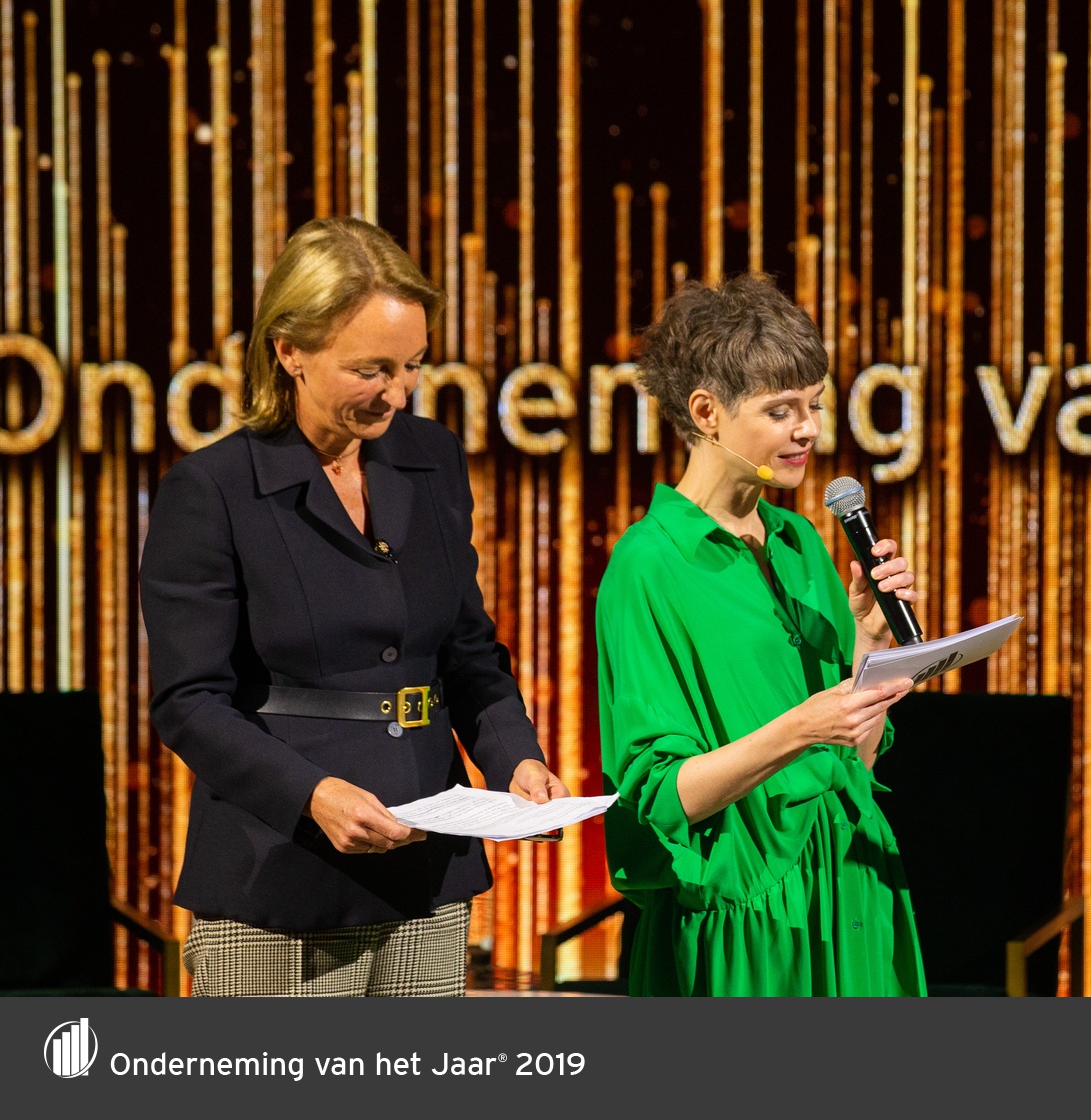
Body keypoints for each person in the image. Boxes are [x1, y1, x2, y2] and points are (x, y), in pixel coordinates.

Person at [142, 217, 565, 997]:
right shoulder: (211, 490)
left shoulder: (432, 458)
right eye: (371, 370)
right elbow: (189, 703)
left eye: (412, 367)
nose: (397, 394)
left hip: (428, 870)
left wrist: (517, 758)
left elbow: (468, 651)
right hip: (279, 875)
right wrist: (313, 796)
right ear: (289, 350)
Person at [597, 274, 924, 997]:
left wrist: (871, 643)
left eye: (814, 405)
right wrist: (800, 728)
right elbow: (661, 797)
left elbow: (855, 760)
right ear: (706, 412)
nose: (808, 429)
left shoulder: (800, 541)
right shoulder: (649, 565)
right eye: (781, 410)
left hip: (847, 886)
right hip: (745, 917)